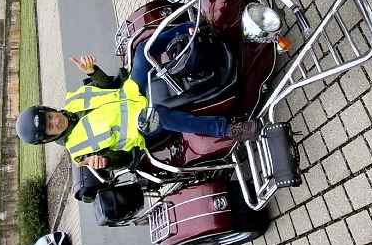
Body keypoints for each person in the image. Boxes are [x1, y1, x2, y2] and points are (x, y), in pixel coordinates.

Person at [15, 34, 260, 170]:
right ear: (48, 138)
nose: (54, 121)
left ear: (48, 110)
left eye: (48, 117)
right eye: (49, 127)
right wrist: (103, 162)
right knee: (161, 116)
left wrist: (93, 72)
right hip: (140, 128)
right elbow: (121, 160)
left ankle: (198, 28)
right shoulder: (79, 153)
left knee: (143, 50)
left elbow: (109, 86)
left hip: (131, 93)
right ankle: (228, 129)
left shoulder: (73, 100)